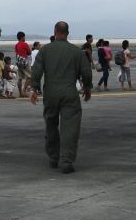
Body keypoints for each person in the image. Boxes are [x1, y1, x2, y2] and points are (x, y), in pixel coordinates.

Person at [30, 21, 92, 174]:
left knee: (51, 125)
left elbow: (36, 70)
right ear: (68, 33)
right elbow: (86, 72)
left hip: (50, 93)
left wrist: (33, 89)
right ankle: (66, 160)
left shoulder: (45, 51)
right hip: (69, 93)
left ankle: (53, 157)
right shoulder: (76, 52)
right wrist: (87, 87)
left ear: (54, 32)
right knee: (70, 127)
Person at [15, 31, 32, 98]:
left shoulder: (17, 45)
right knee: (30, 77)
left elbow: (17, 53)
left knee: (20, 78)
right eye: (24, 37)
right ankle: (24, 90)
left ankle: (20, 93)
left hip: (18, 62)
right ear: (22, 37)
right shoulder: (24, 44)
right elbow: (29, 52)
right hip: (24, 62)